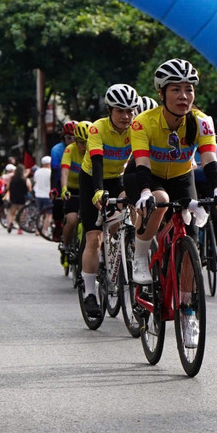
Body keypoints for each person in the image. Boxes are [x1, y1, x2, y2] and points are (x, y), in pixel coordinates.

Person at [126, 59, 217, 348]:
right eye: (176, 89)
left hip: (183, 177)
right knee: (160, 200)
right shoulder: (143, 122)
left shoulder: (201, 121)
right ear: (162, 93)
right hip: (144, 176)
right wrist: (146, 192)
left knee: (190, 245)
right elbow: (142, 163)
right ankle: (140, 256)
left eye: (189, 89)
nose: (184, 96)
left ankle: (187, 311)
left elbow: (210, 161)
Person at [79, 83, 137, 315]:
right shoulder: (97, 128)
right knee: (93, 237)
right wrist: (98, 191)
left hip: (118, 177)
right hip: (92, 177)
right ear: (109, 110)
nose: (126, 116)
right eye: (120, 111)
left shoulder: (136, 128)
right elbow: (97, 161)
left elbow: (139, 161)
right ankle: (90, 292)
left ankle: (124, 247)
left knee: (133, 207)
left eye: (130, 111)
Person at [5, 162, 30, 233]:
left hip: (13, 197)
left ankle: (10, 224)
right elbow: (29, 188)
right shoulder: (25, 179)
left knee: (11, 213)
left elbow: (8, 187)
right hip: (22, 198)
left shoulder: (12, 179)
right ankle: (20, 228)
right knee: (21, 213)